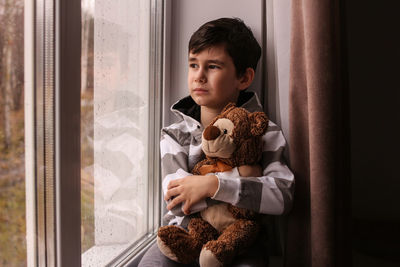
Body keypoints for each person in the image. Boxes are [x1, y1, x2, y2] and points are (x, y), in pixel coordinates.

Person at [138, 17, 294, 267]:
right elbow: (177, 201)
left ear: (244, 78)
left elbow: (283, 196)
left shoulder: (263, 132)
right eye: (193, 65)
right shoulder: (174, 134)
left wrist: (212, 185)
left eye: (212, 67)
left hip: (241, 245)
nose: (198, 76)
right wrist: (244, 180)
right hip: (183, 238)